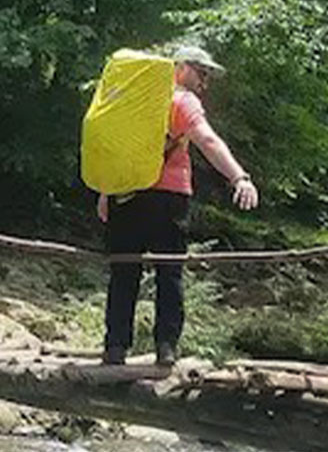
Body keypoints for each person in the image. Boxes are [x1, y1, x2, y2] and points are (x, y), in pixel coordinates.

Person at [98, 45, 259, 366]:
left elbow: (115, 149)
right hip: (169, 197)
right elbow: (208, 141)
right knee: (169, 272)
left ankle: (115, 346)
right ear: (181, 68)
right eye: (202, 72)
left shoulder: (132, 98)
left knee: (123, 271)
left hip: (125, 193)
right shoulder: (182, 100)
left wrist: (106, 192)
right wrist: (239, 177)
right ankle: (166, 347)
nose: (205, 81)